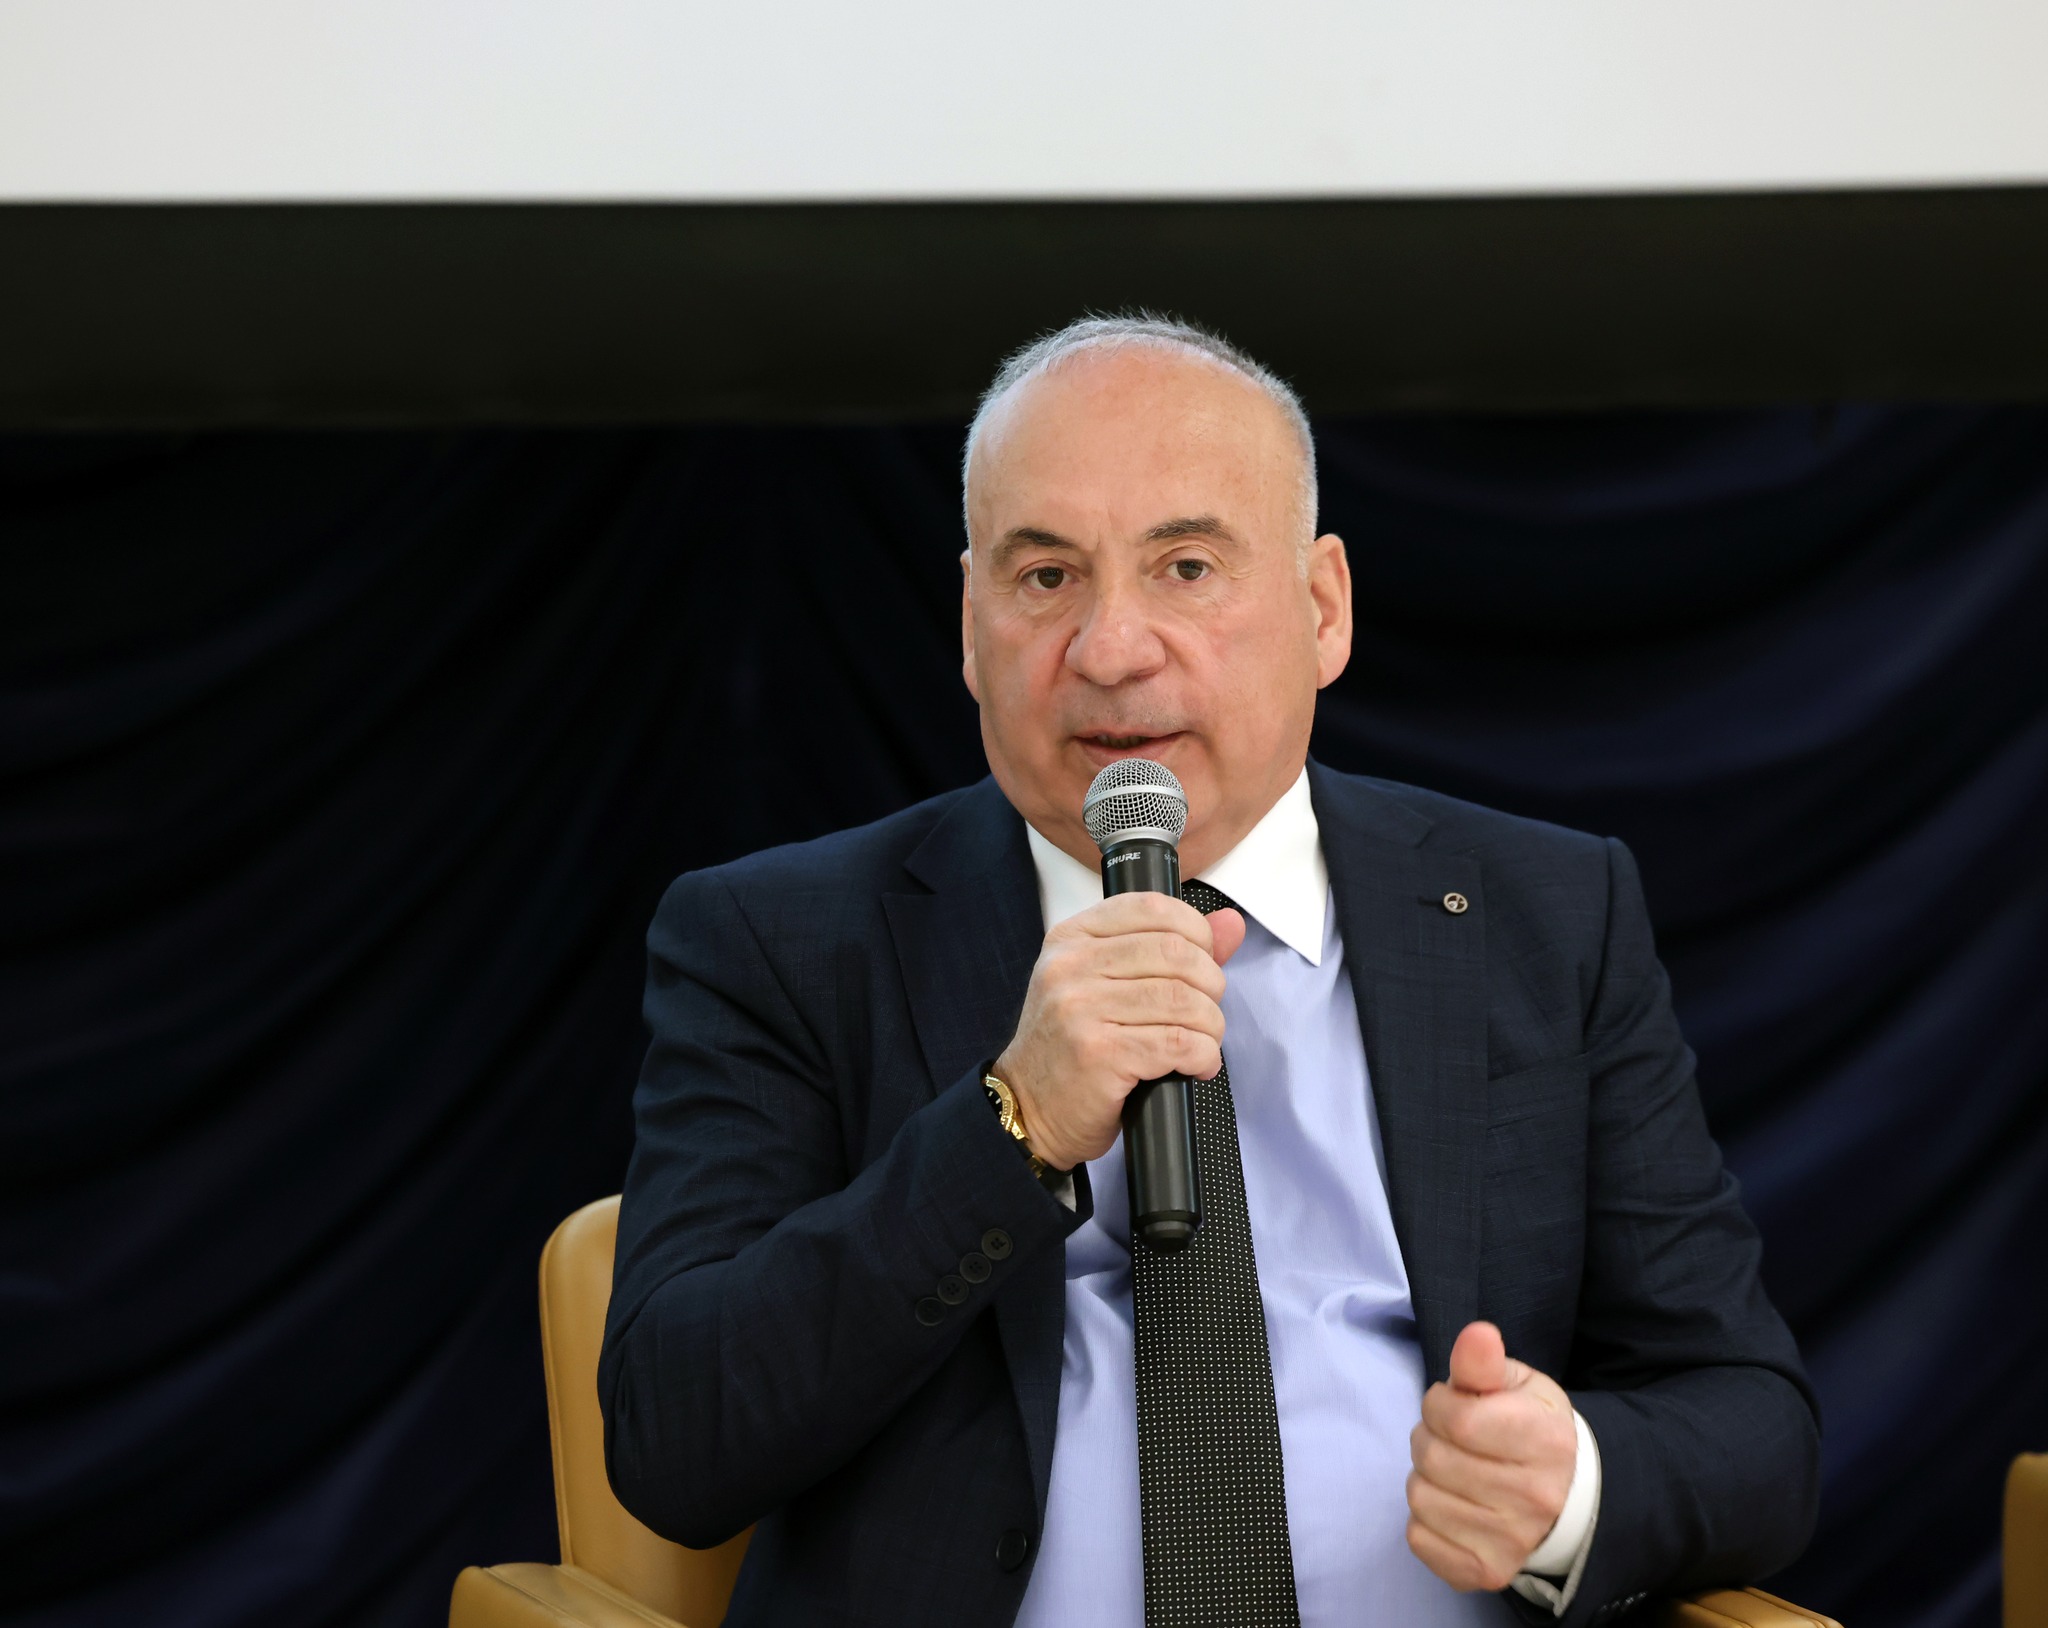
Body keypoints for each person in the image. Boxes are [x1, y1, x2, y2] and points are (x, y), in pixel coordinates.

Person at [599, 315, 1819, 1628]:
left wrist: (1568, 1487)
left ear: (1322, 609)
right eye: (1046, 577)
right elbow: (678, 1440)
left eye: (1185, 567)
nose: (1111, 648)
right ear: (970, 626)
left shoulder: (1545, 915)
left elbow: (1752, 1420)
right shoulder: (779, 937)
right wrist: (1011, 1128)